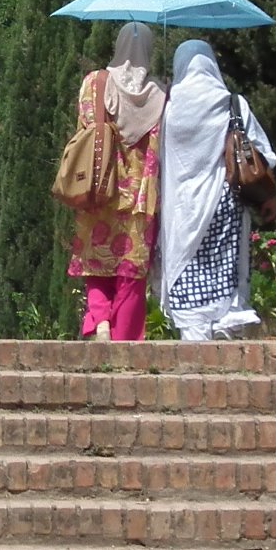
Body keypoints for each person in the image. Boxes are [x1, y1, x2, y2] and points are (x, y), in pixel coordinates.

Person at [157, 39, 276, 341]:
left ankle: (194, 336)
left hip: (182, 210)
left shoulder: (168, 109)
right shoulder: (231, 103)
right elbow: (262, 153)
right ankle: (226, 325)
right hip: (224, 203)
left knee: (188, 267)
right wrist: (270, 195)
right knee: (224, 268)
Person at [68, 21, 168, 342]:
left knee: (96, 263)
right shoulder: (159, 95)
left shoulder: (94, 84)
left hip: (100, 191)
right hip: (138, 199)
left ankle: (99, 319)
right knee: (130, 273)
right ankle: (125, 340)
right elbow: (159, 153)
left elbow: (84, 128)